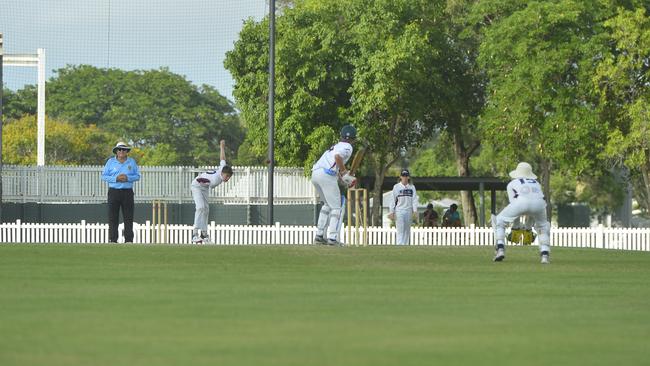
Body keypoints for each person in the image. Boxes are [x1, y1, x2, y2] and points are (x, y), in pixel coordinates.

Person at [492, 162, 551, 264]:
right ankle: (544, 255)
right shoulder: (537, 183)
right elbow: (535, 200)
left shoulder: (512, 184)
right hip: (540, 204)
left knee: (499, 221)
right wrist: (528, 226)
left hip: (521, 202)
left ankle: (500, 249)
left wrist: (516, 226)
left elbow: (514, 203)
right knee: (543, 227)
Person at [311, 125, 357, 245]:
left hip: (316, 173)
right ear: (353, 139)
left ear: (341, 136)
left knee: (327, 204)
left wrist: (344, 179)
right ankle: (333, 238)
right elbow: (338, 158)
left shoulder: (335, 146)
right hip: (326, 175)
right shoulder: (348, 147)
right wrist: (344, 173)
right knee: (338, 206)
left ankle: (319, 236)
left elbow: (334, 165)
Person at [191, 139, 233, 244]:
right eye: (227, 176)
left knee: (206, 209)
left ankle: (204, 235)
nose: (227, 178)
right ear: (223, 174)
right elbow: (200, 180)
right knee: (200, 207)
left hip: (204, 187)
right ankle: (194, 235)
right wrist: (200, 180)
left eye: (229, 177)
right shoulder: (214, 180)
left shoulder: (223, 168)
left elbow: (222, 158)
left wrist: (222, 147)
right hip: (197, 186)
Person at [101, 141, 141, 243]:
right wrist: (116, 178)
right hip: (114, 191)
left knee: (128, 216)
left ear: (127, 151)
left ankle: (128, 240)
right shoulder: (110, 162)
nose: (121, 151)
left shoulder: (131, 162)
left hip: (127, 192)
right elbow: (104, 176)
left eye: (124, 149)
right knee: (113, 216)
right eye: (119, 149)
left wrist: (128, 177)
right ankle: (113, 239)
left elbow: (137, 176)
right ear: (116, 151)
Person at [388, 169, 419, 245]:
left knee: (407, 230)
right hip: (399, 211)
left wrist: (415, 211)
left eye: (406, 176)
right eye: (403, 176)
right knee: (400, 229)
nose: (405, 177)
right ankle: (399, 245)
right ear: (400, 177)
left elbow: (414, 199)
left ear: (408, 177)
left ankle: (405, 246)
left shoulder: (412, 187)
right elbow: (392, 200)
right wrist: (391, 212)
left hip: (408, 211)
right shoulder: (396, 187)